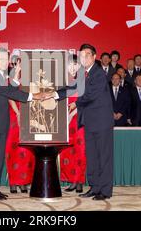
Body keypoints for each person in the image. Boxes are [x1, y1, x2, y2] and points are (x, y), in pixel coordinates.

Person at [52, 44, 114, 200]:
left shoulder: (98, 73)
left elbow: (91, 94)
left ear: (94, 56)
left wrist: (76, 103)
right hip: (89, 121)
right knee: (92, 156)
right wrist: (53, 93)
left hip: (102, 122)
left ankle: (105, 191)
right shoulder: (82, 73)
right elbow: (72, 88)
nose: (84, 58)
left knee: (103, 156)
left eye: (87, 55)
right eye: (82, 55)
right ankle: (94, 187)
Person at [0, 47, 40, 200]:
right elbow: (9, 92)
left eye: (7, 59)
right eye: (2, 59)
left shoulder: (0, 75)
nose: (5, 63)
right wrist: (34, 96)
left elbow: (8, 90)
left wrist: (16, 75)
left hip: (0, 123)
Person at [59, 54, 86, 194]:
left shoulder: (83, 81)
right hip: (65, 122)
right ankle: (71, 181)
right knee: (67, 152)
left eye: (75, 64)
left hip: (79, 120)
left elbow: (85, 101)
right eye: (70, 65)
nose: (72, 67)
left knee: (80, 152)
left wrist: (72, 114)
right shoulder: (63, 82)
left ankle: (79, 181)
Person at [5, 100, 35, 194]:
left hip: (27, 115)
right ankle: (13, 182)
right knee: (12, 150)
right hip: (13, 116)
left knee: (26, 150)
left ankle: (23, 182)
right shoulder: (11, 84)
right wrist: (18, 113)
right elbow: (10, 97)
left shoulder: (30, 84)